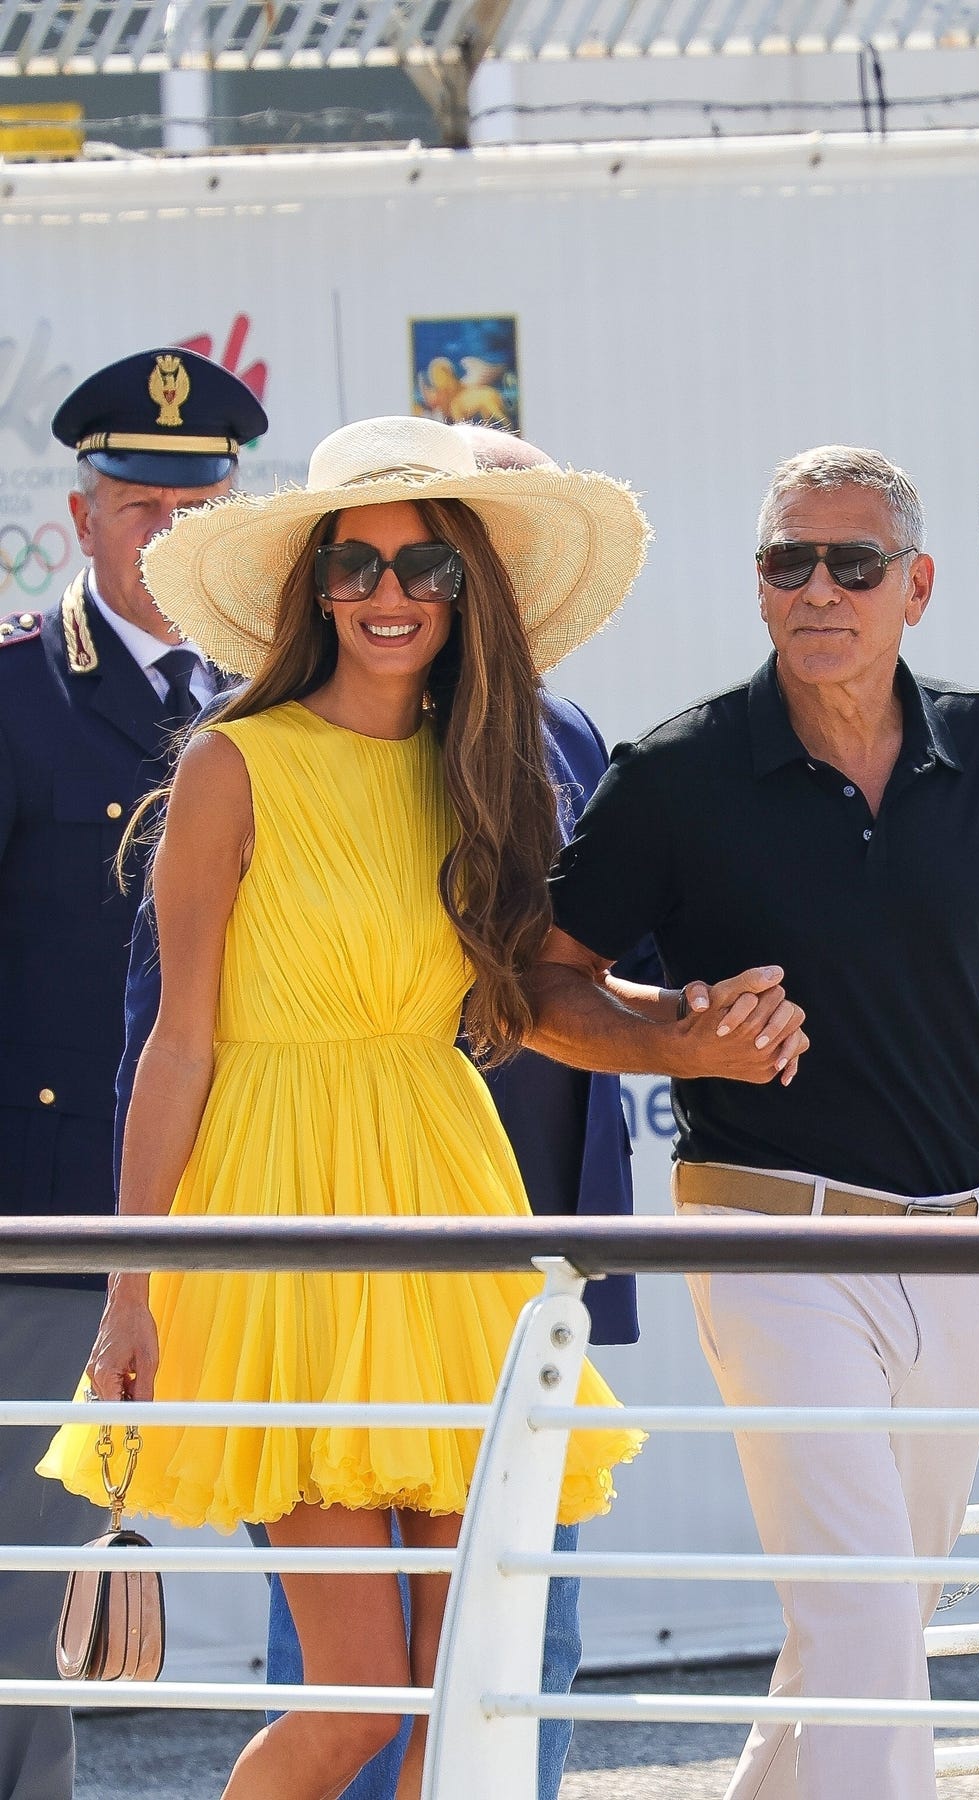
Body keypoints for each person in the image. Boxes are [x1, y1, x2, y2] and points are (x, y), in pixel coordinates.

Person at [526, 445, 979, 1800]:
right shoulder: (677, 776)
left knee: (861, 1634)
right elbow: (532, 986)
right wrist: (672, 1034)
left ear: (915, 587)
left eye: (853, 563)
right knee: (871, 1626)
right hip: (771, 1246)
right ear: (760, 589)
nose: (820, 588)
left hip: (963, 1254)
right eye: (787, 562)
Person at [36, 414, 664, 1800]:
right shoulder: (234, 762)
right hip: (282, 1222)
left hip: (449, 1209)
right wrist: (130, 1291)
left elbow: (536, 1000)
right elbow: (177, 1047)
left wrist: (705, 1028)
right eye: (357, 568)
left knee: (462, 1690)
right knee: (361, 1697)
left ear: (467, 595)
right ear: (314, 591)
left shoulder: (486, 772)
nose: (390, 596)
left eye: (426, 571)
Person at [0, 346, 265, 1800]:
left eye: (198, 507)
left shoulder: (295, 696)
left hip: (268, 1194)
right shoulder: (17, 698)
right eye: (139, 507)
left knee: (340, 1533)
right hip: (60, 1218)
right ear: (85, 514)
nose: (167, 535)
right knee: (23, 1598)